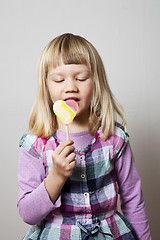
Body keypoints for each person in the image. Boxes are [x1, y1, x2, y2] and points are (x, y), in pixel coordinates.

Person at [17, 33, 151, 240]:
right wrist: (57, 176)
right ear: (46, 85)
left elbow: (133, 200)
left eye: (81, 78)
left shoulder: (114, 138)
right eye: (59, 79)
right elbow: (28, 213)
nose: (70, 86)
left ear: (96, 81)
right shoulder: (35, 144)